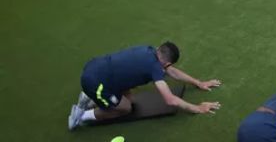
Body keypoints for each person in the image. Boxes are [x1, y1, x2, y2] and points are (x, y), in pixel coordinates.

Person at [67, 42, 222, 130]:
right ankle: (81, 116)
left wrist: (198, 83)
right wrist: (197, 108)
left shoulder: (149, 50)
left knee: (129, 98)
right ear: (166, 62)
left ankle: (87, 97)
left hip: (95, 67)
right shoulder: (154, 68)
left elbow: (172, 72)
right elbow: (170, 100)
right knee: (125, 108)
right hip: (96, 84)